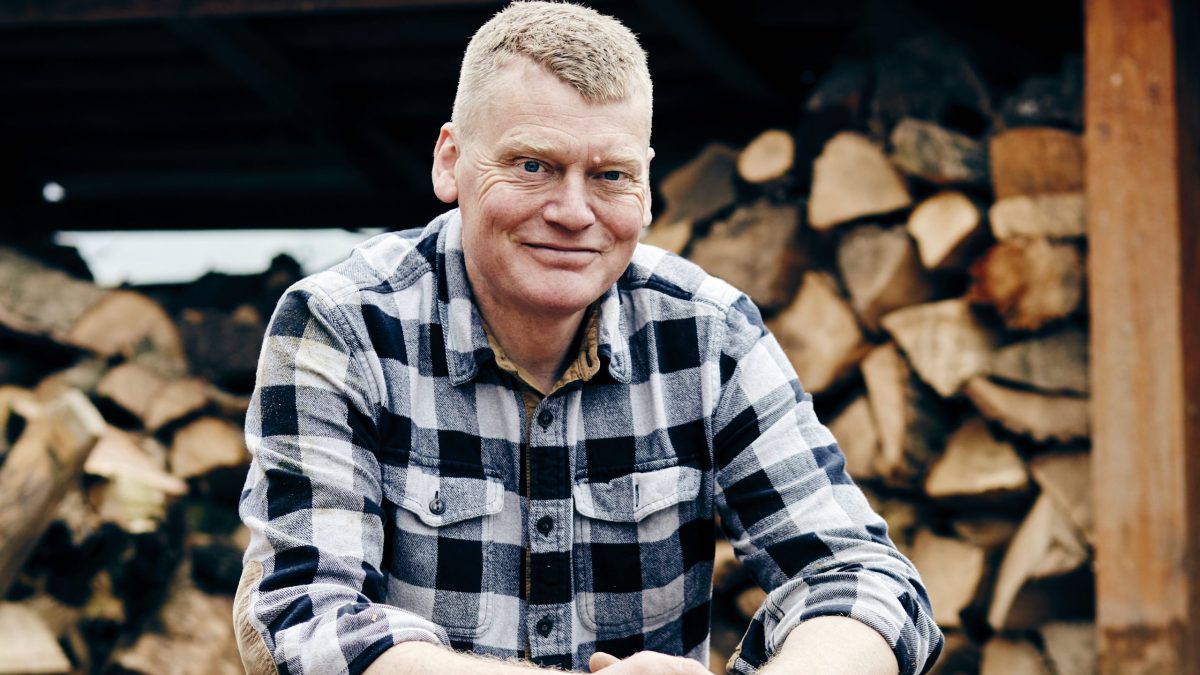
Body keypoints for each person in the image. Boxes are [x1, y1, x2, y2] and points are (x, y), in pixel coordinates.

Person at [233, 2, 943, 674]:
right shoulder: (342, 326)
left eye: (610, 175)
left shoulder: (708, 332)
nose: (574, 212)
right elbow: (307, 614)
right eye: (533, 165)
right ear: (450, 162)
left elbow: (861, 577)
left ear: (647, 181)